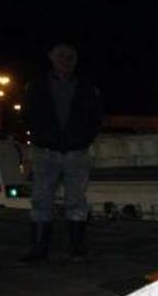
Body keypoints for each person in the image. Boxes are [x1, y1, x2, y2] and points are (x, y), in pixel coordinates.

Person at [20, 43, 102, 264]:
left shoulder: (86, 87)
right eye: (61, 56)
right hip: (45, 150)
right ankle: (39, 249)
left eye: (70, 57)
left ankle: (76, 247)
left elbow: (96, 117)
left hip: (77, 151)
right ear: (51, 58)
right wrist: (41, 137)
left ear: (75, 61)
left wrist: (84, 139)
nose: (66, 60)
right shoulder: (36, 86)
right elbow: (27, 114)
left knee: (76, 200)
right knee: (41, 199)